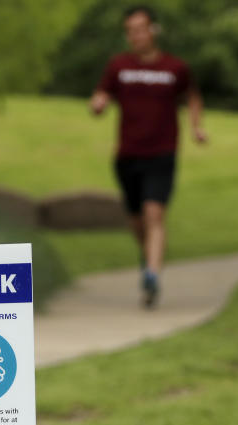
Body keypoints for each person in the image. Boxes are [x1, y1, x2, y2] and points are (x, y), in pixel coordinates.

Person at [90, 5, 207, 307]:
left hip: (162, 152)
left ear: (154, 30)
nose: (136, 36)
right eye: (130, 30)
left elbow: (192, 97)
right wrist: (98, 103)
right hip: (128, 154)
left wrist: (196, 127)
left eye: (141, 29)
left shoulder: (175, 68)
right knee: (136, 221)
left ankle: (152, 274)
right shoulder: (118, 66)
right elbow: (102, 93)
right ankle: (148, 259)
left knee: (154, 214)